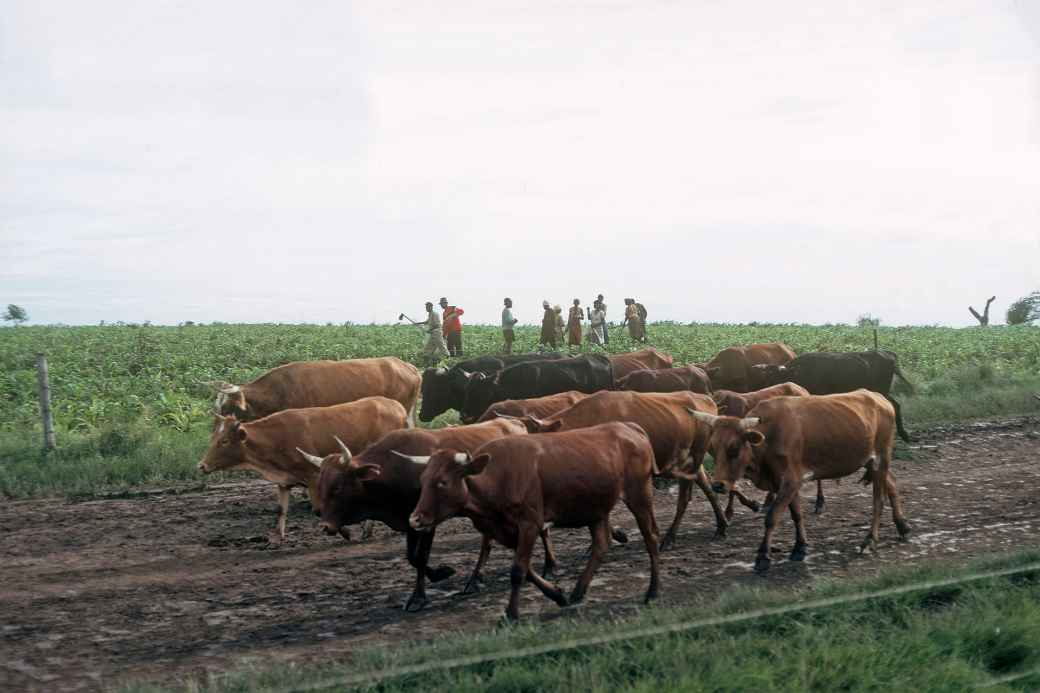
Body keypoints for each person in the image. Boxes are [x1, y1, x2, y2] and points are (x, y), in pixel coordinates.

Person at [419, 301, 449, 366]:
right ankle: (426, 361)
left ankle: (447, 357)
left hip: (437, 332)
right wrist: (418, 323)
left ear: (431, 307)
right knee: (428, 347)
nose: (426, 309)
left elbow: (437, 325)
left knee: (441, 345)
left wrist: (430, 330)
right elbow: (427, 322)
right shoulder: (430, 314)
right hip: (433, 333)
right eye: (426, 307)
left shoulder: (435, 314)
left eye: (427, 307)